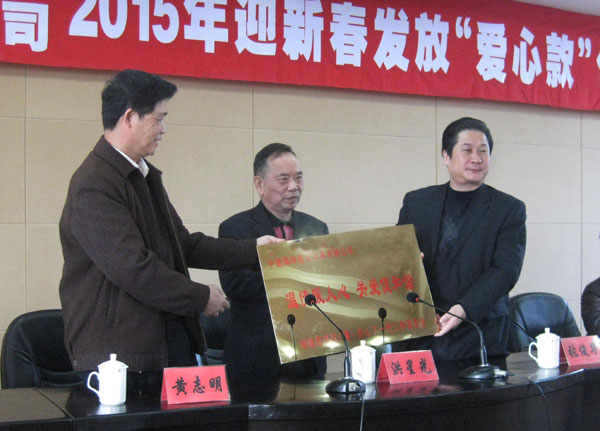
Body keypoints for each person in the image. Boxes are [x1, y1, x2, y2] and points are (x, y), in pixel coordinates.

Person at [59, 70, 280, 376]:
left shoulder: (142, 175)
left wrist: (256, 250)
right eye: (159, 119)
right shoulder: (94, 185)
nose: (164, 129)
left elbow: (183, 244)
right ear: (130, 117)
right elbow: (134, 269)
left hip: (160, 343)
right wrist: (200, 297)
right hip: (121, 358)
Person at [394, 117, 526, 361]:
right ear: (446, 156)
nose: (476, 158)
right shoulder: (417, 202)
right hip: (423, 328)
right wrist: (406, 261)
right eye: (467, 150)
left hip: (479, 329)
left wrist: (463, 309)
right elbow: (397, 256)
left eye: (483, 151)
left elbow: (506, 270)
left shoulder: (508, 209)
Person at [218, 143, 328, 382]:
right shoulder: (235, 228)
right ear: (259, 184)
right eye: (284, 179)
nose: (294, 186)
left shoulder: (317, 227)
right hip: (257, 354)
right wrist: (291, 277)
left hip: (308, 354)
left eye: (299, 178)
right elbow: (235, 284)